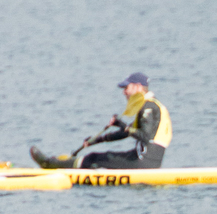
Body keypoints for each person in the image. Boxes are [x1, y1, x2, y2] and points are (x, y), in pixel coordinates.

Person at [30, 72, 172, 169]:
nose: (124, 92)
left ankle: (49, 164)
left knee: (94, 158)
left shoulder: (149, 107)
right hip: (147, 160)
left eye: (126, 88)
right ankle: (62, 163)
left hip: (143, 162)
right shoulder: (150, 105)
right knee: (101, 156)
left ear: (138, 87)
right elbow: (127, 133)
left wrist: (122, 125)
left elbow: (145, 136)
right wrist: (96, 141)